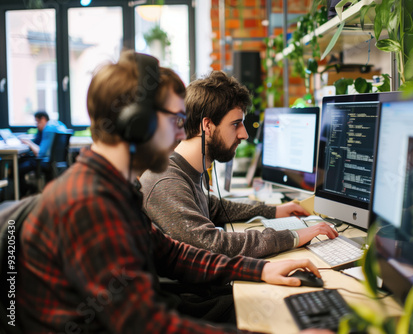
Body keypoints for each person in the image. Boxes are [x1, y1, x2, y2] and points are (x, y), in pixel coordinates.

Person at [17, 51, 333, 334]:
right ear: (138, 125)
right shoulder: (91, 205)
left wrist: (261, 268)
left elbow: (172, 254)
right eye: (176, 120)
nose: (183, 133)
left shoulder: (116, 188)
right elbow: (146, 325)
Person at [140, 71, 338, 258]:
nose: (244, 134)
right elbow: (211, 243)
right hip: (191, 293)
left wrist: (273, 211)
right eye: (236, 124)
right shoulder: (166, 181)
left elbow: (213, 207)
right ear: (207, 125)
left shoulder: (188, 169)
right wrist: (293, 236)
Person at [18, 110, 68, 196]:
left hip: (45, 162)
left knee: (18, 168)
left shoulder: (48, 128)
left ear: (43, 119)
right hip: (57, 162)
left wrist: (29, 143)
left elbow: (40, 153)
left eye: (37, 122)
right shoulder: (59, 125)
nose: (37, 125)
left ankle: (27, 193)